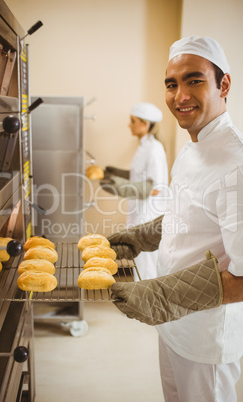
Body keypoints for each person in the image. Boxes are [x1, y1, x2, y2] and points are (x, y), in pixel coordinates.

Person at [109, 36, 243, 402]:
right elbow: (189, 215)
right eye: (172, 84)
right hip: (172, 326)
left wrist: (160, 294)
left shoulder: (237, 164)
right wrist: (141, 235)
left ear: (224, 84)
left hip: (205, 338)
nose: (180, 95)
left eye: (194, 80)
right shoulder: (191, 146)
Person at [101, 102, 168, 280]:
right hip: (138, 210)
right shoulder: (144, 145)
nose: (129, 125)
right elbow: (139, 177)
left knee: (146, 264)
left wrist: (117, 184)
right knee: (140, 263)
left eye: (133, 121)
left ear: (145, 124)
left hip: (148, 213)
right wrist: (111, 173)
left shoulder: (154, 149)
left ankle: (147, 304)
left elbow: (155, 188)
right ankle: (143, 300)